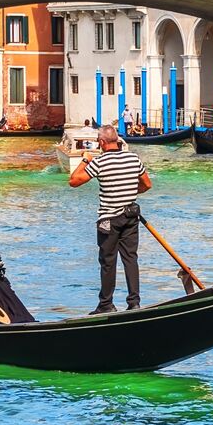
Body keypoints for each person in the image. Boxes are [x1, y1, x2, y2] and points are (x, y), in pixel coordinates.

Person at [69, 124, 151, 313]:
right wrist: (130, 192)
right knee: (130, 258)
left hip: (109, 220)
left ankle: (106, 304)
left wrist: (85, 160)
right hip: (131, 215)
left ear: (102, 142)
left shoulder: (100, 162)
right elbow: (147, 184)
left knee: (108, 261)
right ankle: (134, 303)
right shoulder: (133, 158)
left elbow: (74, 181)